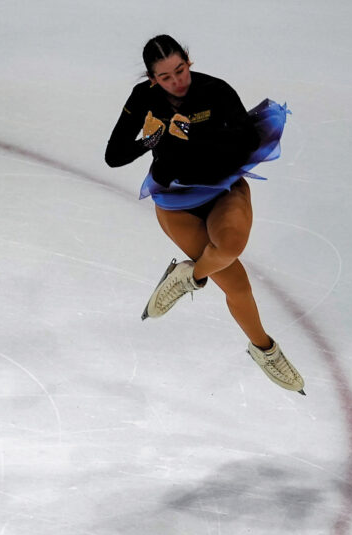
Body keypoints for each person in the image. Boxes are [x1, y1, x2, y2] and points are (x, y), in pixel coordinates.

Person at [104, 35, 305, 394]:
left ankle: (187, 277)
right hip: (175, 200)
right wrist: (153, 139)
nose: (176, 81)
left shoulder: (215, 91)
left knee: (229, 248)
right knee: (237, 284)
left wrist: (195, 135)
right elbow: (114, 155)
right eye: (165, 77)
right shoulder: (143, 98)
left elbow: (245, 143)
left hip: (223, 190)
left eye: (180, 70)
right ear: (152, 78)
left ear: (189, 63)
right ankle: (265, 350)